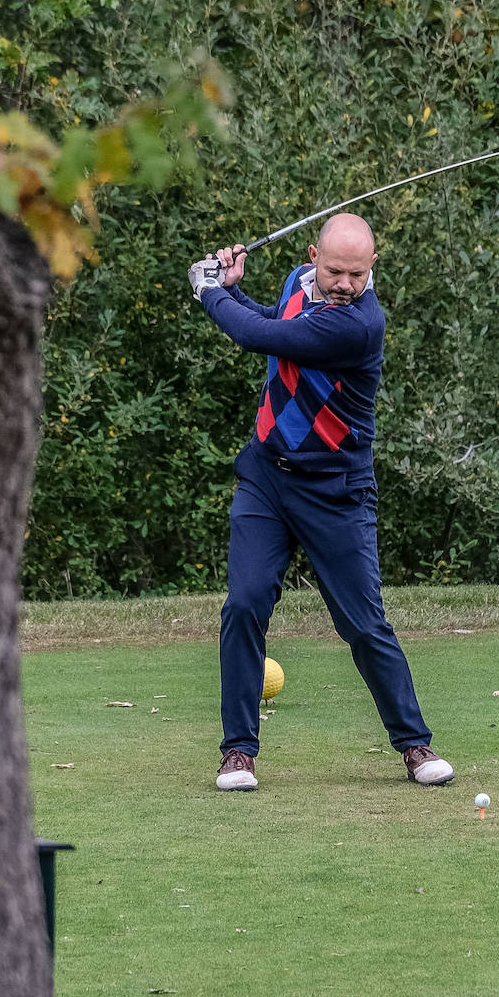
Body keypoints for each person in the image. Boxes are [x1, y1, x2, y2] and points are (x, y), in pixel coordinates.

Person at [188, 213, 454, 792]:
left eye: (356, 274)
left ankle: (415, 744)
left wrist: (207, 289)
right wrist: (236, 291)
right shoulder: (295, 284)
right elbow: (270, 320)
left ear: (371, 269)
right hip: (267, 477)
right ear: (313, 258)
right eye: (334, 271)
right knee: (245, 602)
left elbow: (259, 338)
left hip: (336, 490)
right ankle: (239, 752)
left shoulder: (358, 325)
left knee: (362, 623)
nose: (343, 284)